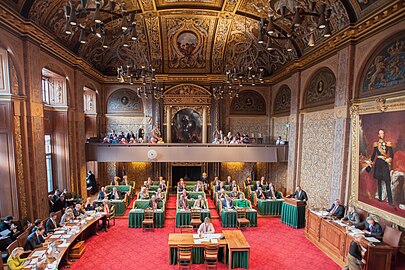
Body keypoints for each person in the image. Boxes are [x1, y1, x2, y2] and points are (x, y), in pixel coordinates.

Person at [369, 129, 394, 205]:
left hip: (385, 163)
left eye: (383, 133)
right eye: (380, 133)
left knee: (387, 181)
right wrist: (370, 162)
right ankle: (380, 198)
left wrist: (389, 159)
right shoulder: (376, 144)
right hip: (378, 163)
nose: (382, 134)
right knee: (379, 181)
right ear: (378, 135)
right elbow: (373, 155)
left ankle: (390, 201)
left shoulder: (388, 144)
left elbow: (392, 154)